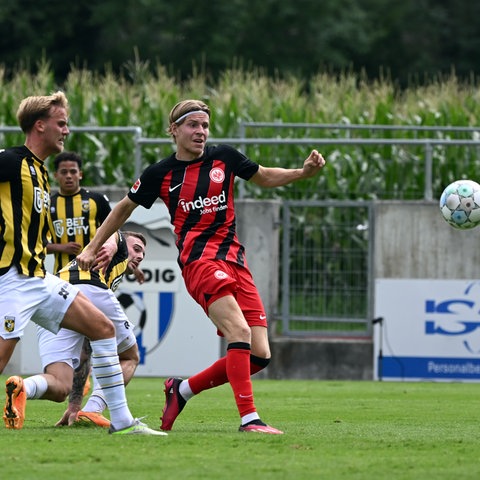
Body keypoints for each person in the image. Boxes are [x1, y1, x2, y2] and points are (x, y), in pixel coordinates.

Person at [76, 98, 326, 435]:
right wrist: (92, 247)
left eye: (205, 125)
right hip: (200, 261)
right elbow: (122, 209)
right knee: (239, 333)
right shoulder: (160, 173)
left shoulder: (224, 157)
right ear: (174, 130)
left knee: (260, 354)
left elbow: (264, 176)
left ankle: (182, 390)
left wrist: (302, 172)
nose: (201, 131)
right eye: (193, 125)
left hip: (236, 260)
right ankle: (250, 419)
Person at [0, 91, 163, 435]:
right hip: (11, 280)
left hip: (40, 278)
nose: (67, 130)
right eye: (61, 123)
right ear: (40, 125)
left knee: (103, 328)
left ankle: (121, 422)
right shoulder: (12, 161)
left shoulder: (40, 172)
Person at [19, 230, 148, 430]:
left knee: (60, 385)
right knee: (129, 357)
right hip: (89, 286)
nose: (140, 256)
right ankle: (94, 410)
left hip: (53, 294)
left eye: (143, 255)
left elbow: (84, 352)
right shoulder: (116, 244)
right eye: (137, 249)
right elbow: (115, 233)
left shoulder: (116, 267)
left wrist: (74, 406)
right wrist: (111, 243)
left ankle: (23, 388)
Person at [47, 151, 111, 273]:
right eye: (64, 172)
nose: (69, 176)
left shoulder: (97, 200)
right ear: (56, 175)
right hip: (62, 274)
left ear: (80, 174)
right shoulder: (48, 204)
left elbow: (114, 233)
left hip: (94, 272)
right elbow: (35, 245)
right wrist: (61, 248)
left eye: (73, 171)